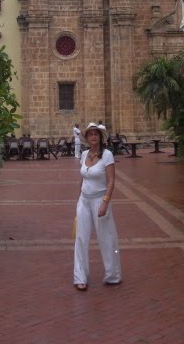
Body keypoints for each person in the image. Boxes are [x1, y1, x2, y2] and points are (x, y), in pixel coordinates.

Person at [73, 122, 121, 291]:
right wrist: (79, 197)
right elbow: (83, 178)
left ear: (100, 137)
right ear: (86, 138)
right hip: (84, 201)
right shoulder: (84, 154)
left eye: (96, 134)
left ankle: (113, 274)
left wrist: (105, 202)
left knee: (107, 238)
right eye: (90, 134)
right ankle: (80, 276)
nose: (93, 136)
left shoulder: (107, 155)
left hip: (100, 200)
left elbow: (111, 180)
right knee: (80, 238)